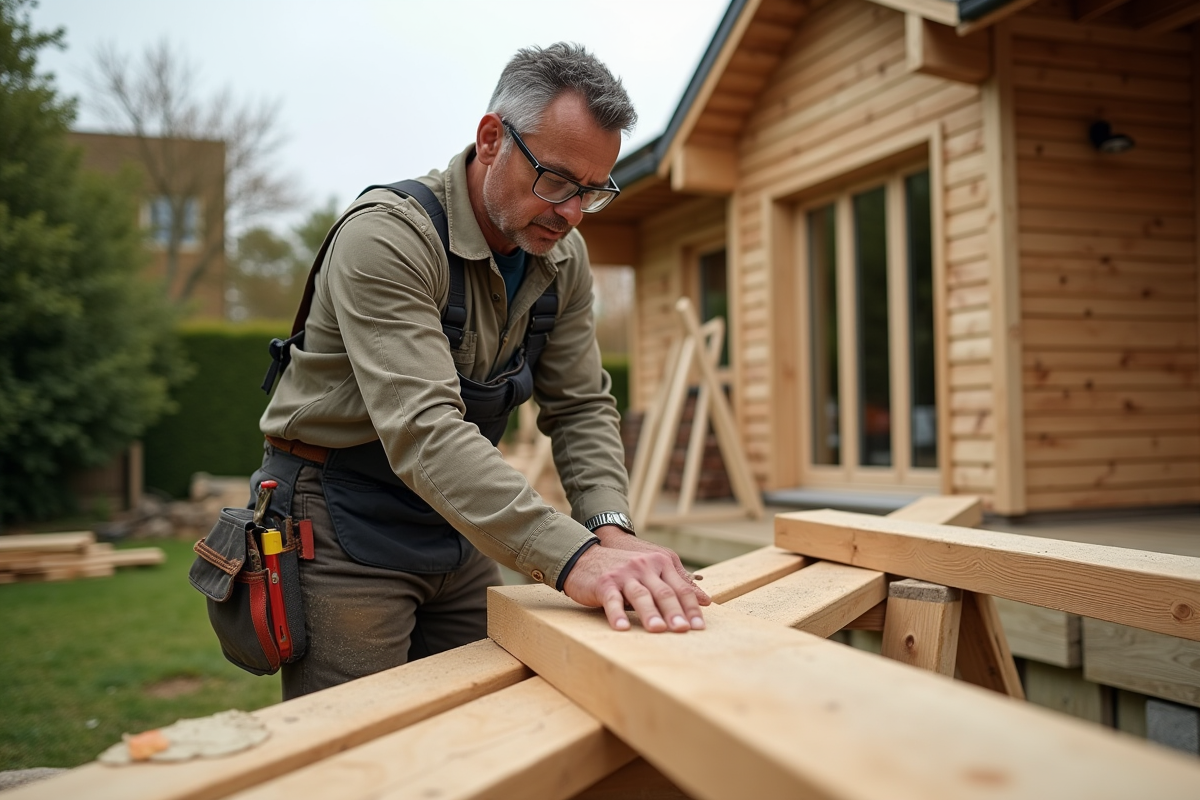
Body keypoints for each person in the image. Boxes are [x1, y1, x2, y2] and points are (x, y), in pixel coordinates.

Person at [255, 42, 710, 699]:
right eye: (557, 181)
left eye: (592, 191)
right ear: (492, 139)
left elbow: (580, 406)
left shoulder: (564, 259)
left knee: (489, 713)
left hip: (459, 517)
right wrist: (574, 558)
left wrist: (608, 529)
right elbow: (425, 431)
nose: (571, 212)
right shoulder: (387, 238)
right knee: (362, 738)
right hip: (339, 512)